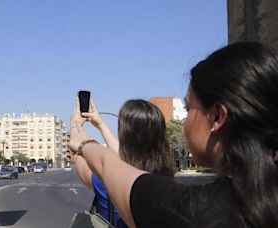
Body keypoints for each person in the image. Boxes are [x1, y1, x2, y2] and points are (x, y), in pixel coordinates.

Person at [69, 42, 278, 228]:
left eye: (188, 109)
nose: (186, 122)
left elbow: (108, 166)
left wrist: (80, 137)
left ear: (216, 117)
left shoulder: (194, 211)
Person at [72, 98, 175, 227]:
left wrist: (75, 125)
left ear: (124, 136)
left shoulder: (111, 183)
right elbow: (123, 157)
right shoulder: (168, 186)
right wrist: (101, 125)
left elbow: (80, 162)